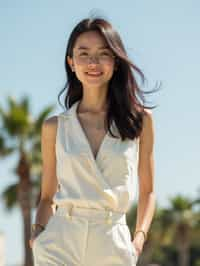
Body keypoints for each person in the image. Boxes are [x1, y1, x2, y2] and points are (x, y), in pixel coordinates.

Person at [29, 16, 157, 266]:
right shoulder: (55, 127)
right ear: (71, 62)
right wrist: (37, 233)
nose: (93, 62)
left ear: (116, 62)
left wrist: (138, 239)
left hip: (113, 242)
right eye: (83, 54)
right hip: (60, 241)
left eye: (103, 53)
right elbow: (47, 196)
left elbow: (148, 191)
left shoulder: (140, 121)